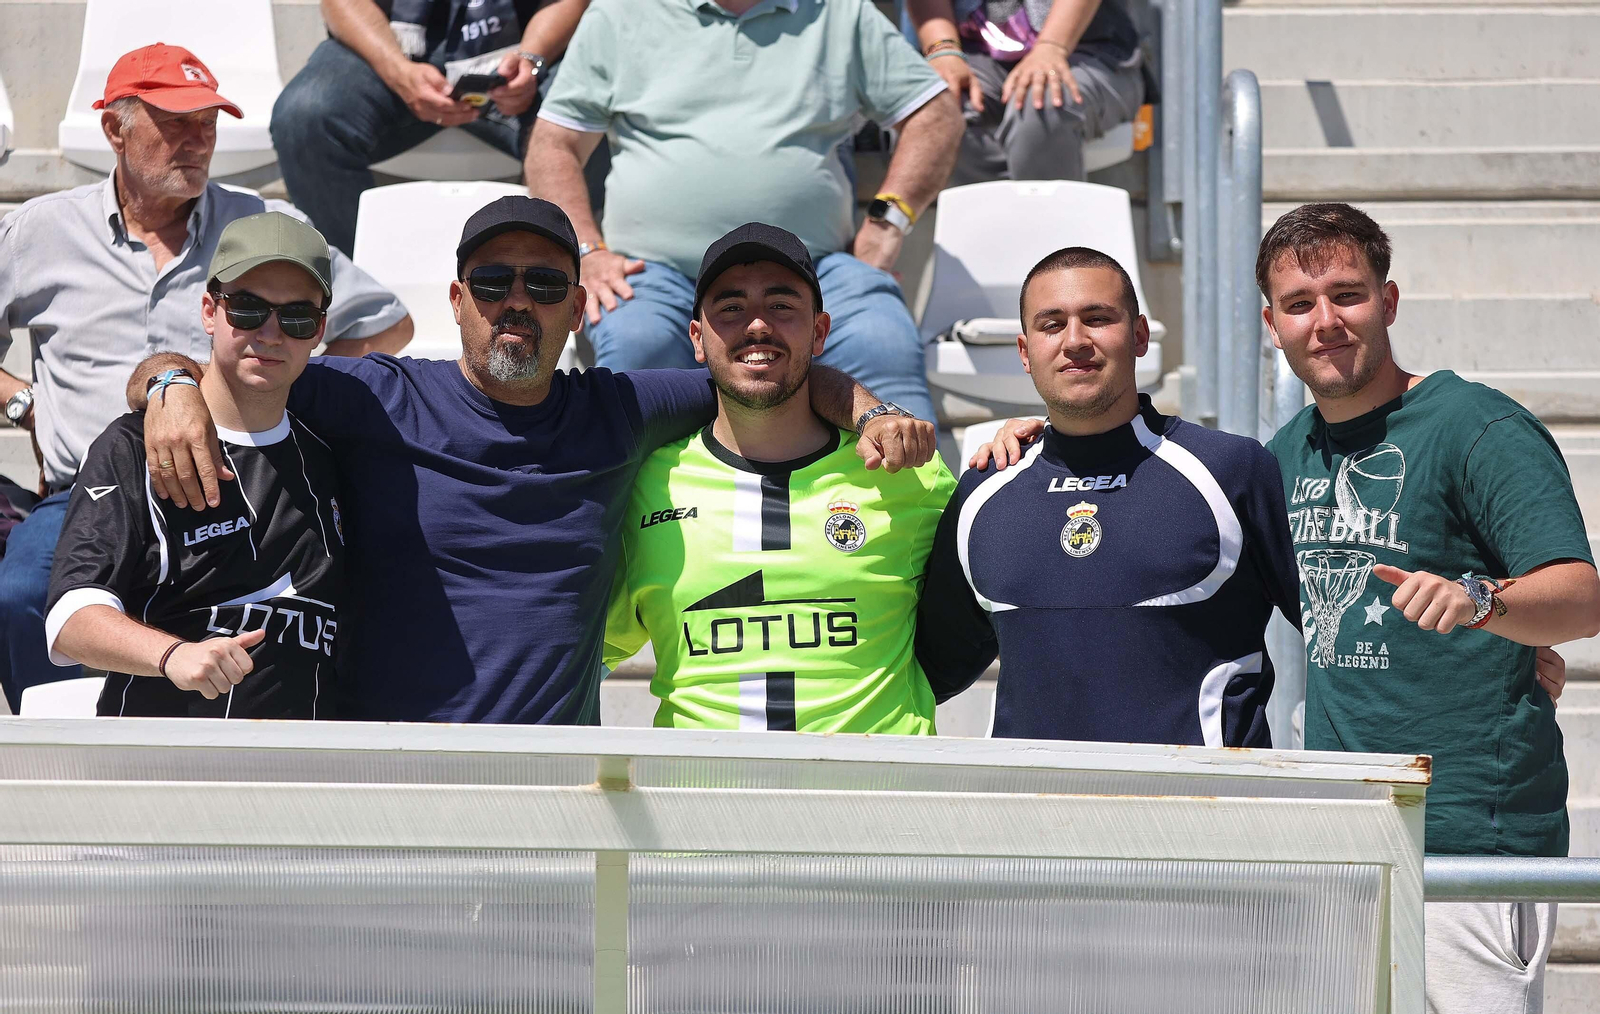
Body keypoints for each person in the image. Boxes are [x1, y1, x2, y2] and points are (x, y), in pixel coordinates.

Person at [132, 196, 936, 725]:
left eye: (546, 282)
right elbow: (240, 362)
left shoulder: (618, 408)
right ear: (456, 301)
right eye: (491, 281)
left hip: (558, 791)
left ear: (578, 308)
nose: (517, 300)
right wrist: (170, 382)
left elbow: (762, 368)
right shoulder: (380, 396)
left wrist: (869, 407)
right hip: (393, 778)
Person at [1257, 202, 1600, 1013]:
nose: (1326, 322)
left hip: (1467, 836)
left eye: (1348, 294)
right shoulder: (1282, 457)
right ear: (1273, 325)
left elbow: (1580, 597)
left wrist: (1481, 602)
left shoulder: (1476, 425)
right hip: (1346, 838)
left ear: (1390, 301)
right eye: (1301, 305)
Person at [0, 44, 411, 713]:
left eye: (209, 125)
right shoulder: (43, 228)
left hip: (239, 472)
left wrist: (284, 372)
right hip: (91, 483)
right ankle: (65, 755)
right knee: (21, 596)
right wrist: (23, 403)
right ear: (114, 130)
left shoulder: (260, 226)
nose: (198, 142)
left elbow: (388, 325)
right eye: (175, 124)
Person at [918, 246, 1301, 745]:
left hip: (1203, 812)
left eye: (1097, 318)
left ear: (1139, 336)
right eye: (1051, 324)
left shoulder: (1231, 470)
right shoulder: (986, 489)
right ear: (1024, 351)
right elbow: (927, 672)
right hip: (1032, 812)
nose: (1075, 341)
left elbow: (1336, 634)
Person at [526, 0, 966, 425]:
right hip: (655, 274)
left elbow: (936, 112)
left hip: (816, 270)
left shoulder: (840, 10)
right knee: (640, 348)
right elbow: (552, 144)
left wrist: (887, 225)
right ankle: (632, 502)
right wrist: (587, 251)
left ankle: (917, 497)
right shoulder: (619, 11)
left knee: (880, 341)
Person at [604, 223, 957, 732]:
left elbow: (985, 627)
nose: (757, 326)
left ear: (819, 332)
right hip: (700, 801)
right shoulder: (645, 485)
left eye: (781, 305)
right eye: (730, 308)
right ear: (697, 339)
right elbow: (592, 652)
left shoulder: (906, 473)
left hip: (876, 802)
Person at [45, 212, 343, 718]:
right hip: (164, 760)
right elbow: (71, 619)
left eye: (297, 317)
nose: (270, 333)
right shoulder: (133, 444)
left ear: (319, 331)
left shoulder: (338, 446)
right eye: (247, 309)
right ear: (210, 311)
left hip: (304, 772)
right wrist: (174, 655)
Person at [271, 0, 608, 255]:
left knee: (583, 125)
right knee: (304, 119)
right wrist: (399, 73)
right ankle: (352, 296)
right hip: (388, 43)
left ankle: (551, 284)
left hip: (517, 47)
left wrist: (531, 60)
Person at [908, 0, 1146, 185]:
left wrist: (1051, 47)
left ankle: (1054, 237)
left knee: (1044, 104)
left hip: (1090, 48)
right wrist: (943, 50)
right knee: (939, 106)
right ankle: (999, 225)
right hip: (976, 51)